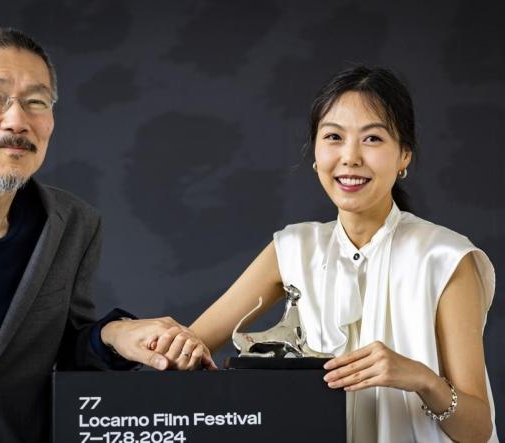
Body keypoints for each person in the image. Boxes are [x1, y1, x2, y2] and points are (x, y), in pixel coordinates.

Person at [0, 28, 213, 443]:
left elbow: (67, 351)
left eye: (36, 102)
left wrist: (118, 336)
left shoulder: (76, 223)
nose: (17, 120)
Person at [160, 66, 497, 442]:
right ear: (316, 155)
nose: (350, 157)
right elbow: (189, 347)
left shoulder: (446, 258)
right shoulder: (292, 249)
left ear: (404, 156)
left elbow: (477, 430)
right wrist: (121, 333)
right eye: (334, 137)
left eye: (372, 139)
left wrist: (421, 378)